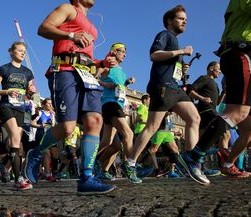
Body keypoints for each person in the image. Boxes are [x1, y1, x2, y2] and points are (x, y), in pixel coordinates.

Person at [25, 0, 116, 194]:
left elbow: (85, 54)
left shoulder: (91, 24)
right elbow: (43, 29)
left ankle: (86, 177)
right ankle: (37, 153)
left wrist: (101, 62)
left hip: (87, 74)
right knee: (68, 128)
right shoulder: (68, 9)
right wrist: (71, 34)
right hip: (65, 70)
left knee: (95, 120)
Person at [124, 5, 210, 185]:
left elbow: (170, 65)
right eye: (180, 18)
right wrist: (181, 52)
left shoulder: (175, 41)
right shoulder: (164, 35)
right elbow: (154, 55)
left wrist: (181, 66)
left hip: (175, 87)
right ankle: (130, 162)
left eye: (185, 19)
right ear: (170, 21)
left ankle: (191, 161)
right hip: (162, 87)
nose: (184, 21)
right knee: (152, 127)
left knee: (194, 118)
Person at [211, 0, 251, 177]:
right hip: (240, 52)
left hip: (238, 53)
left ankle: (228, 164)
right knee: (238, 112)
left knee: (249, 129)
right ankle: (196, 153)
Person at [0, 41, 34, 190]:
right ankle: (18, 179)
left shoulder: (28, 72)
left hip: (21, 108)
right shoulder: (3, 69)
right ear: (12, 52)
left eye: (24, 51)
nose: (23, 53)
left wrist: (31, 92)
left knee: (14, 143)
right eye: (20, 50)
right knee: (15, 136)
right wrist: (7, 91)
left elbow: (29, 94)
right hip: (6, 106)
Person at [96, 43, 137, 182]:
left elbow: (119, 88)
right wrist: (106, 84)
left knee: (111, 144)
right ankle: (129, 167)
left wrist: (126, 83)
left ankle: (96, 167)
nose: (124, 54)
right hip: (110, 104)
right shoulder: (108, 64)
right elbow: (95, 77)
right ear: (114, 52)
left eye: (125, 52)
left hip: (116, 104)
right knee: (129, 134)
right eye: (122, 51)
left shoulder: (121, 71)